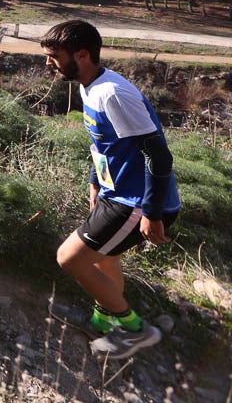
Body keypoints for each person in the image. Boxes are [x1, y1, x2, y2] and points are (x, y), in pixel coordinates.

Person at [41, 20, 180, 359]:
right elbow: (105, 143)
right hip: (115, 193)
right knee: (106, 259)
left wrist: (152, 213)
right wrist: (95, 180)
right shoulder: (90, 86)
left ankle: (135, 330)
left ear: (82, 55)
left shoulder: (113, 94)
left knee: (69, 258)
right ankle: (102, 322)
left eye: (55, 56)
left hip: (136, 202)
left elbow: (158, 155)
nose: (49, 63)